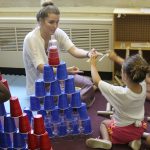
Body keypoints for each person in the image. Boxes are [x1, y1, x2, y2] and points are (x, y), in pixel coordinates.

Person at [23, 0, 98, 107]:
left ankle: (82, 95)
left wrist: (88, 53)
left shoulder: (57, 33)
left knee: (88, 83)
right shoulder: (31, 39)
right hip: (41, 87)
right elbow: (41, 68)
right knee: (74, 97)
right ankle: (83, 96)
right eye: (51, 22)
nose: (55, 26)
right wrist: (66, 71)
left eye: (57, 22)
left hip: (59, 77)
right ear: (40, 21)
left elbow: (74, 50)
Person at [86, 51, 150, 150]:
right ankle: (134, 140)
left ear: (125, 76)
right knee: (134, 127)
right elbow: (131, 67)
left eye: (121, 70)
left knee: (104, 123)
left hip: (121, 132)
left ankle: (106, 140)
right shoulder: (143, 84)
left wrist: (93, 63)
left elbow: (96, 81)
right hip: (139, 128)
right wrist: (115, 58)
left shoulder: (120, 92)